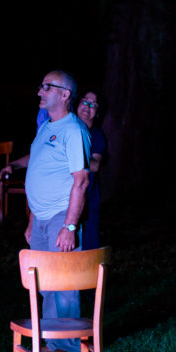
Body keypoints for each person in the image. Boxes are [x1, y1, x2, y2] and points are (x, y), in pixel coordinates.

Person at [11, 70, 91, 352]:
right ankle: (51, 338)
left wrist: (70, 226)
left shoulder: (74, 130)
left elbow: (81, 179)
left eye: (47, 87)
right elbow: (38, 170)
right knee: (45, 284)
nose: (40, 91)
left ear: (65, 94)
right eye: (41, 85)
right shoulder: (46, 127)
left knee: (65, 284)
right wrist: (32, 219)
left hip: (61, 216)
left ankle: (69, 344)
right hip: (41, 218)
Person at [76, 90, 107, 250]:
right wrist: (14, 165)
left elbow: (95, 165)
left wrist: (72, 155)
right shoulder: (65, 128)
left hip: (87, 197)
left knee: (88, 247)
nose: (87, 106)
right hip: (61, 197)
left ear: (97, 112)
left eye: (93, 104)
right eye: (85, 101)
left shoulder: (96, 135)